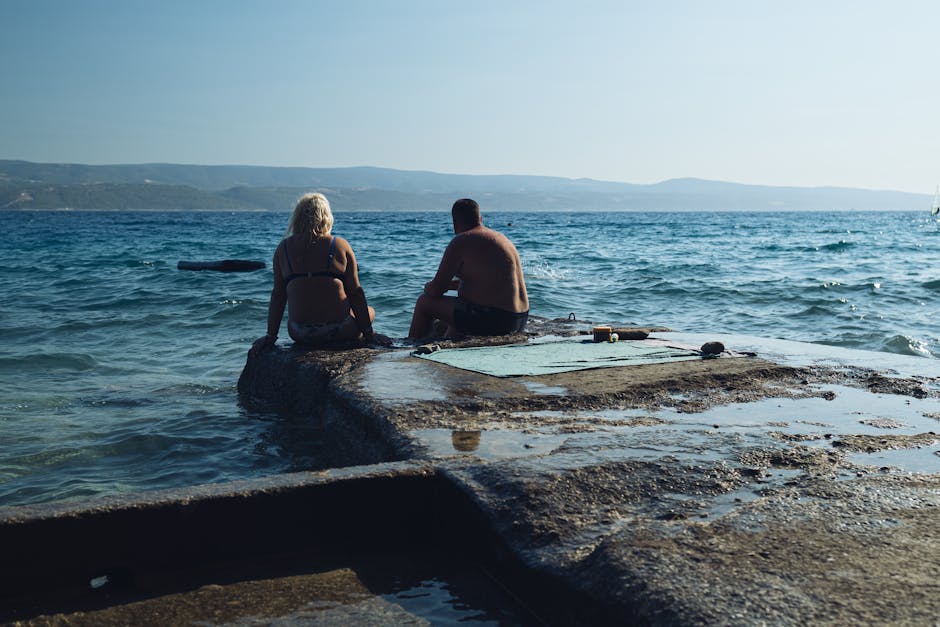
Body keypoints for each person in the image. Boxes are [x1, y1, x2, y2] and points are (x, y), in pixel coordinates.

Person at [251, 193, 389, 353]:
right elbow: (356, 293)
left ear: (297, 218)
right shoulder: (339, 245)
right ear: (326, 217)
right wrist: (369, 334)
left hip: (299, 333)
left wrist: (271, 336)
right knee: (371, 311)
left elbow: (278, 295)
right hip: (340, 331)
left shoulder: (283, 249)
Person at [408, 198, 528, 339]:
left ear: (455, 223)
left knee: (424, 302)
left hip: (497, 321)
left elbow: (435, 290)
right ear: (480, 219)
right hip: (519, 319)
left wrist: (428, 287)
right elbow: (490, 283)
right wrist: (453, 285)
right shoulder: (501, 238)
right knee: (456, 314)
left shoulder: (461, 241)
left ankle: (409, 348)